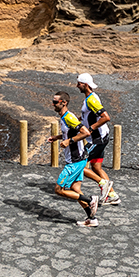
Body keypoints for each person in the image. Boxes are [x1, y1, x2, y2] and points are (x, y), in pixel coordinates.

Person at [47, 91, 102, 227]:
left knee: (59, 190)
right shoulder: (64, 117)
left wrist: (69, 141)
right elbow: (71, 132)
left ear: (63, 103)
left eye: (55, 102)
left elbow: (85, 132)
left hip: (75, 161)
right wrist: (58, 137)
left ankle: (90, 200)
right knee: (75, 189)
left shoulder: (69, 117)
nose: (53, 104)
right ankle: (92, 219)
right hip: (79, 160)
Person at [76, 73, 120, 205]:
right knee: (96, 167)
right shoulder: (90, 98)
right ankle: (112, 195)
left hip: (96, 139)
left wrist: (91, 129)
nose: (77, 86)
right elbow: (89, 116)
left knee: (78, 165)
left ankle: (103, 184)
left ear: (85, 85)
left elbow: (106, 117)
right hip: (100, 138)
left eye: (79, 83)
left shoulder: (91, 100)